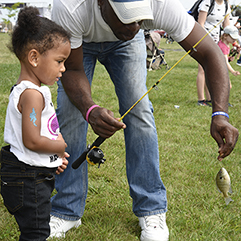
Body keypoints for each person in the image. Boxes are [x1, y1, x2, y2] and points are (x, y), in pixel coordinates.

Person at [50, 0, 239, 240]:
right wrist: (90, 110)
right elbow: (73, 71)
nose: (134, 27)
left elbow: (211, 53)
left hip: (125, 48)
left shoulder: (159, 5)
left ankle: (151, 209)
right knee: (70, 112)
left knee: (138, 111)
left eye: (141, 19)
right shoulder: (70, 7)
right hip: (80, 43)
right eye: (127, 17)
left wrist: (220, 113)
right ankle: (66, 210)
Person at [0, 6, 71, 240]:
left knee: (37, 228)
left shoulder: (32, 91)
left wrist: (52, 161)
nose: (63, 69)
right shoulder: (32, 95)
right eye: (59, 61)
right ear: (34, 57)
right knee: (37, 232)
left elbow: (37, 138)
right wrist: (60, 147)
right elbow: (31, 140)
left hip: (30, 174)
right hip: (27, 180)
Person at [196, 0, 230, 106]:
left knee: (213, 69)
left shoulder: (226, 5)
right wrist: (206, 42)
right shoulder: (207, 2)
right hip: (203, 39)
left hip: (217, 41)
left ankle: (211, 98)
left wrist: (233, 43)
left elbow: (226, 27)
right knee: (202, 69)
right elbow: (200, 23)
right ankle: (201, 99)